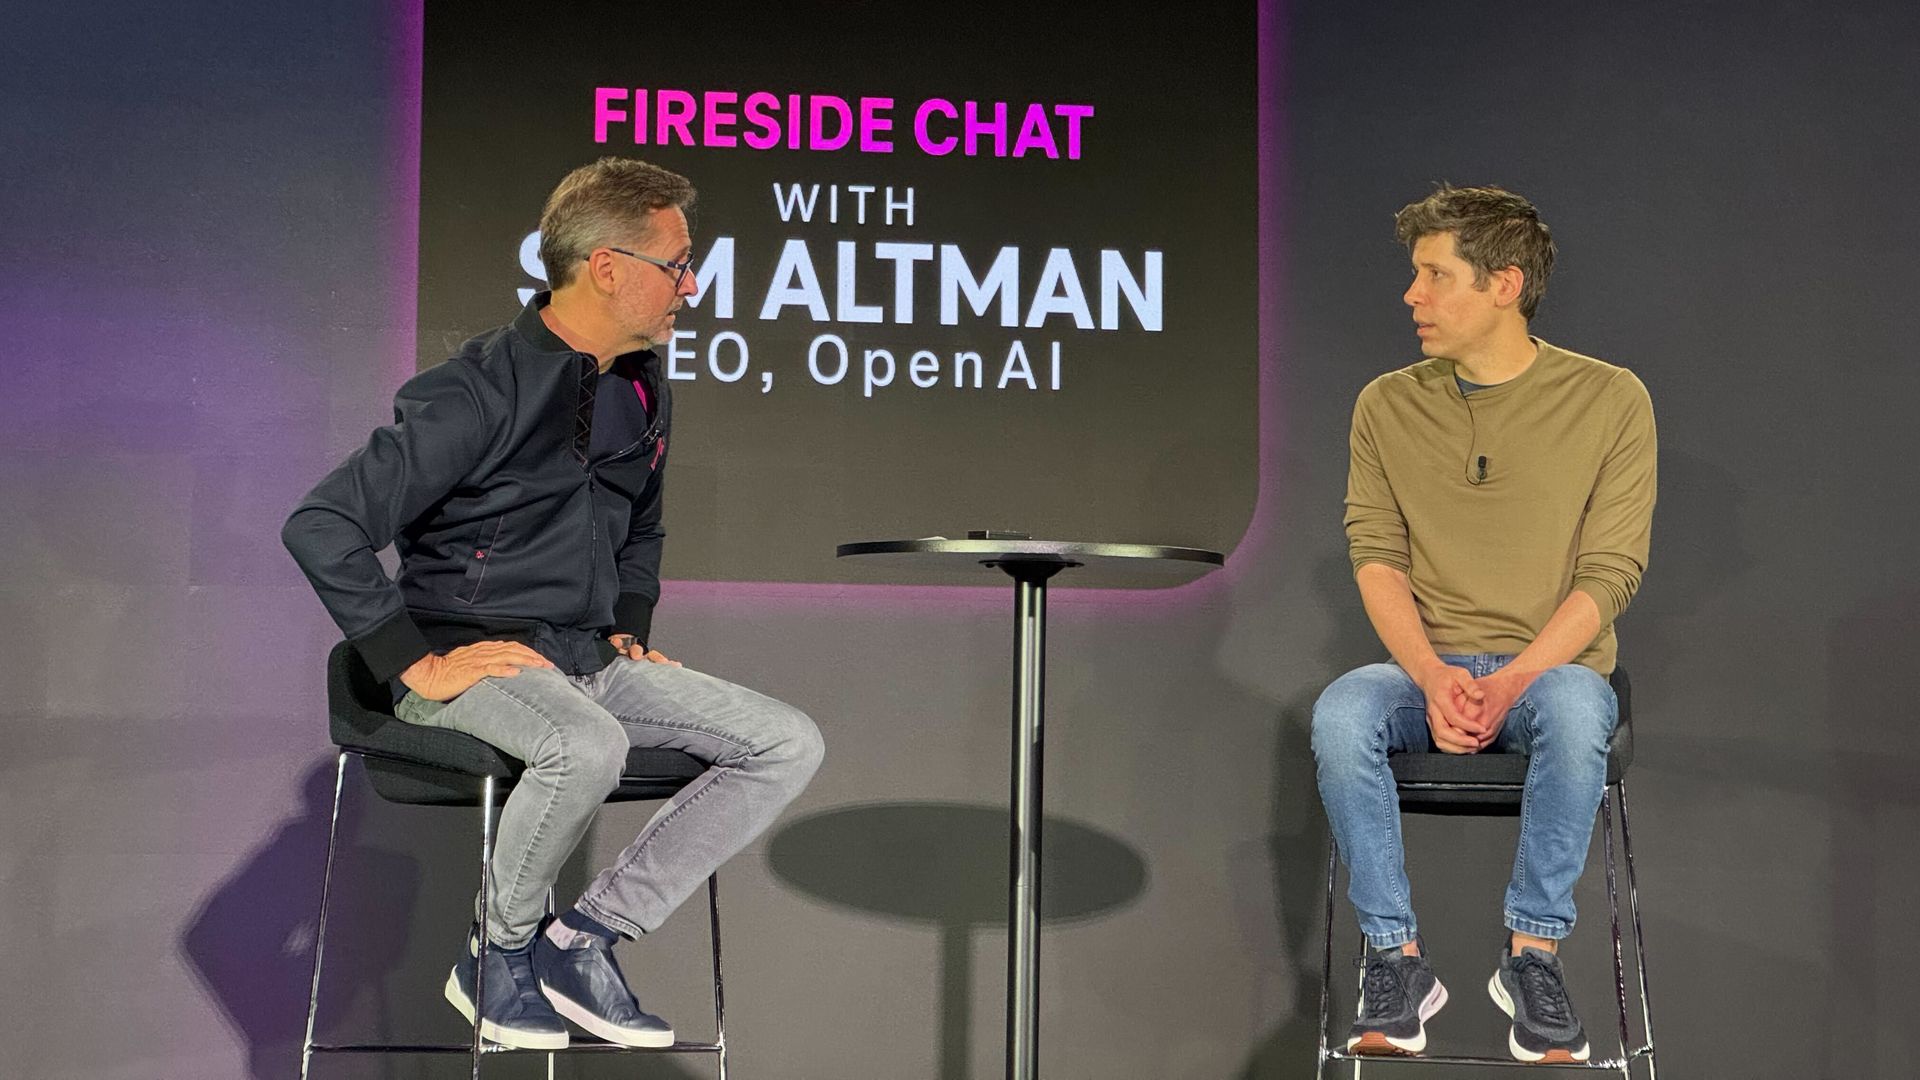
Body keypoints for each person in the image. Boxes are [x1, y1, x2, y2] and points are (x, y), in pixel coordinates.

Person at [283, 157, 824, 1050]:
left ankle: (582, 940)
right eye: (677, 264)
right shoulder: (475, 391)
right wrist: (416, 661)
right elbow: (322, 523)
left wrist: (629, 629)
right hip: (474, 660)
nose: (691, 285)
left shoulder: (641, 385)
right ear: (607, 267)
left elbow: (641, 525)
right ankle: (495, 954)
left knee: (785, 741)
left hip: (587, 657)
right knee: (587, 744)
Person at [1312, 184, 1655, 1063]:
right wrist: (1433, 676)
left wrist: (1513, 680)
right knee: (1343, 713)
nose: (1411, 295)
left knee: (1575, 708)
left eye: (1435, 275)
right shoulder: (1385, 404)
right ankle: (1396, 960)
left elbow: (1610, 573)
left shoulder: (1610, 399)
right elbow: (1376, 557)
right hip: (1425, 670)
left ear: (1505, 284)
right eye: (1415, 274)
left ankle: (1532, 954)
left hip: (1552, 671)